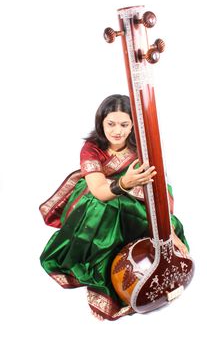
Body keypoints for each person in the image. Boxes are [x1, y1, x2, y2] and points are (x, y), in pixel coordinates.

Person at [40, 94, 189, 321]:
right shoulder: (92, 148)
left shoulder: (142, 149)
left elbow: (159, 189)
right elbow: (99, 190)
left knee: (140, 212)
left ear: (133, 126)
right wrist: (124, 183)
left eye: (124, 124)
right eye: (110, 124)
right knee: (100, 206)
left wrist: (168, 231)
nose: (117, 131)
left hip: (133, 203)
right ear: (101, 122)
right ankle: (98, 259)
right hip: (101, 200)